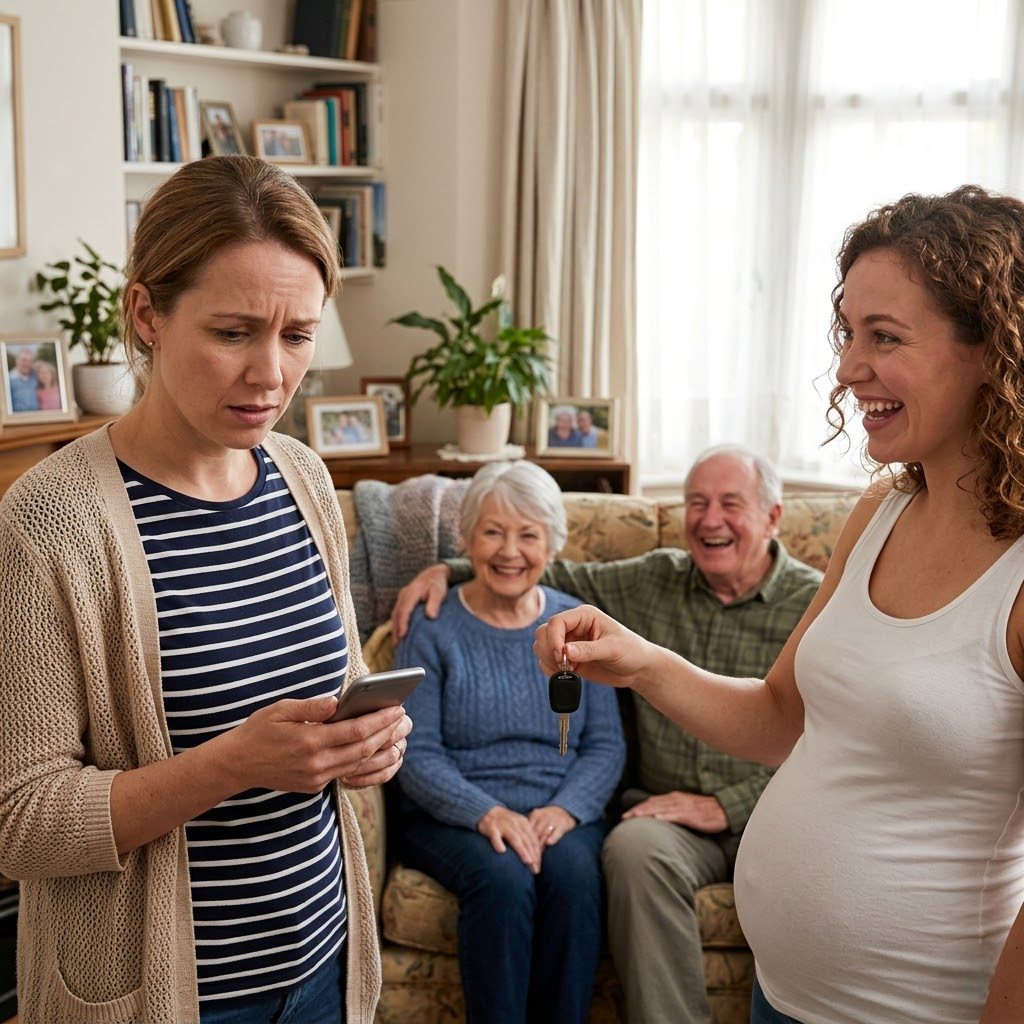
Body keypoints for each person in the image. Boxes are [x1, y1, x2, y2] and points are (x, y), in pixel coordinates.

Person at [534, 185, 1024, 1024]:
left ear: (993, 349)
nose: (847, 368)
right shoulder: (880, 516)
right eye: (848, 334)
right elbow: (779, 718)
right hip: (783, 997)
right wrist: (641, 660)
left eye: (884, 338)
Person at [0, 156, 412, 1024]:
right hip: (168, 996)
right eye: (233, 333)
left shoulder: (302, 477)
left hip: (325, 967)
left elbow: (322, 703)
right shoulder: (51, 521)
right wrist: (233, 765)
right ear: (147, 314)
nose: (270, 373)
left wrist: (366, 743)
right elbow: (22, 821)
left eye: (297, 335)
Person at [392, 446, 822, 1024]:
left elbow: (845, 731)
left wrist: (570, 808)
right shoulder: (638, 587)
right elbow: (526, 572)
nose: (710, 519)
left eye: (730, 504)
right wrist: (447, 569)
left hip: (774, 808)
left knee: (571, 874)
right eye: (697, 503)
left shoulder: (821, 603)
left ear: (773, 516)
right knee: (526, 873)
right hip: (555, 814)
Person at [393, 460, 625, 1024]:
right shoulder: (433, 624)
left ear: (552, 543)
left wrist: (567, 810)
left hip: (558, 807)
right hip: (453, 812)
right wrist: (485, 812)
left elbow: (604, 746)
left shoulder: (577, 624)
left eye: (528, 535)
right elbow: (415, 752)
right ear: (467, 539)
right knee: (502, 876)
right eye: (492, 532)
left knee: (572, 876)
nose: (509, 551)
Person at [7, 346, 39, 412]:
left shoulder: (37, 377)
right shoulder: (7, 380)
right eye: (24, 360)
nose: (27, 363)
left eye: (30, 361)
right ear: (16, 360)